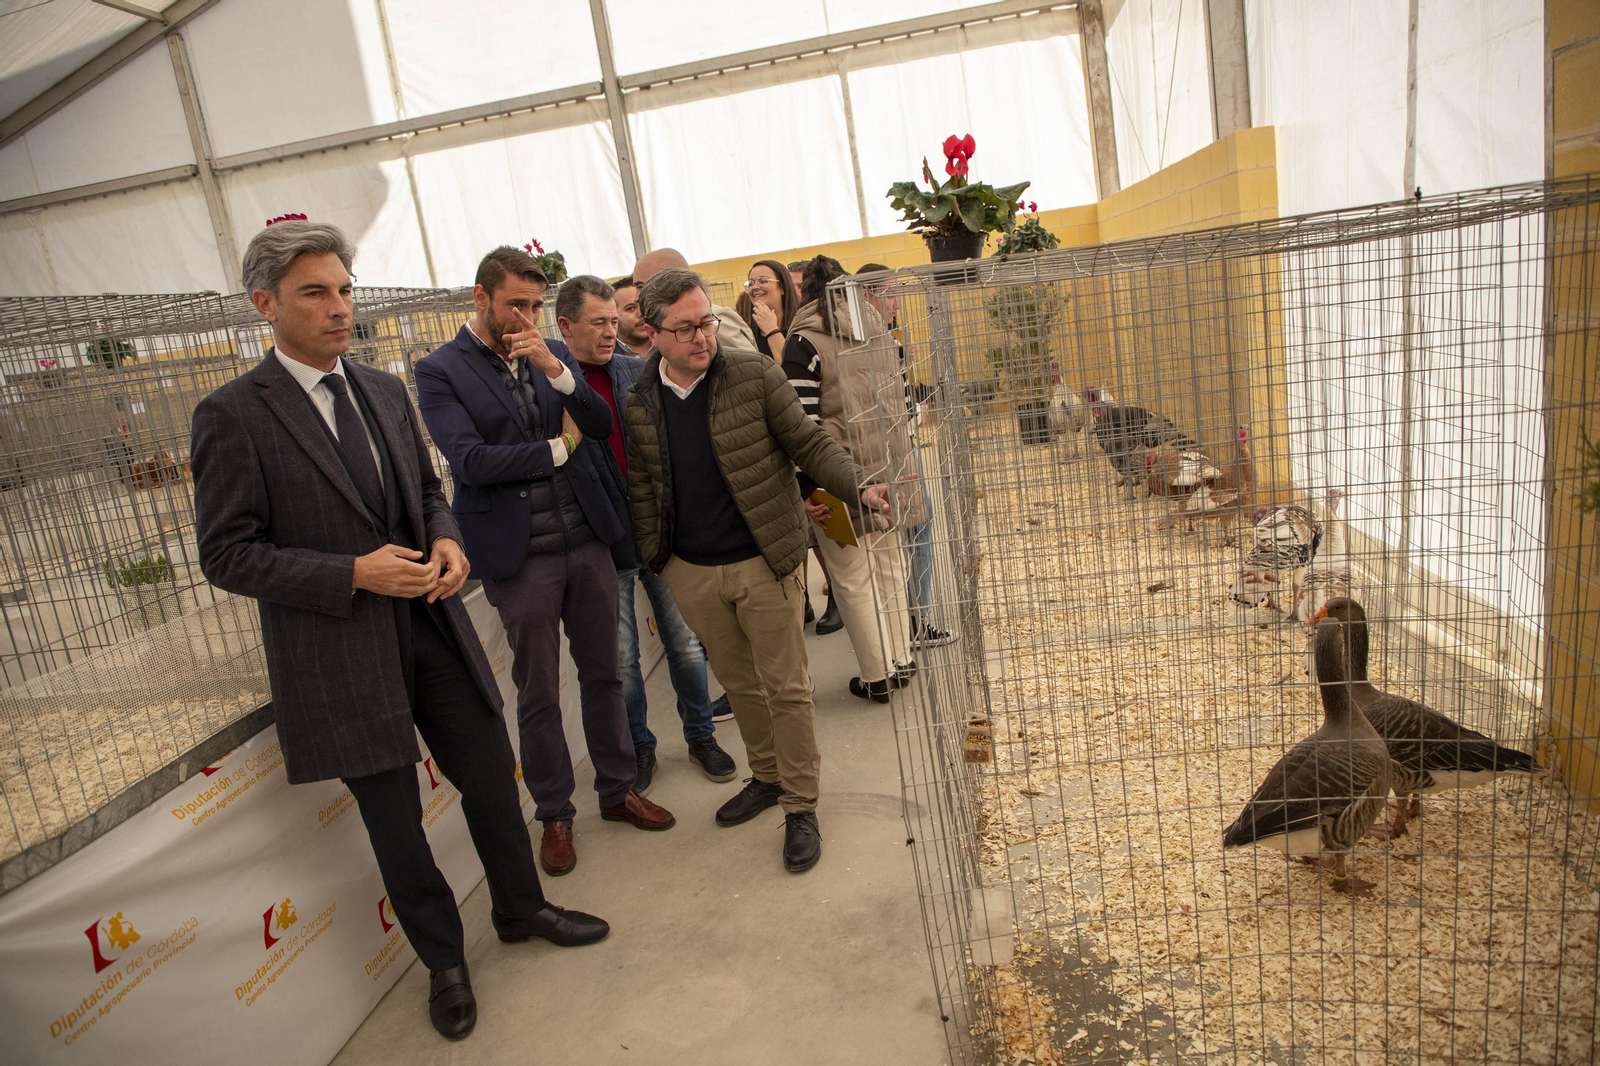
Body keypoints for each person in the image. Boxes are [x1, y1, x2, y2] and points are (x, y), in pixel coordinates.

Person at [191, 221, 608, 1043]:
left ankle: (521, 908)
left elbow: (426, 493)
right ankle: (445, 964)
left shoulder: (383, 389)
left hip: (430, 623)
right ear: (265, 304)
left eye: (345, 290)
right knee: (396, 822)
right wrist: (352, 572)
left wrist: (447, 540)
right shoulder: (233, 414)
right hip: (339, 651)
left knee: (490, 776)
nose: (339, 308)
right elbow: (228, 553)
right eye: (316, 293)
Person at [414, 247, 674, 882]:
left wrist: (557, 371)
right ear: (480, 298)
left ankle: (617, 790)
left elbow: (598, 420)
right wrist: (557, 450)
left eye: (535, 306)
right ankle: (555, 814)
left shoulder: (548, 354)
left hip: (585, 539)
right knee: (537, 692)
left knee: (605, 674)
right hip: (518, 554)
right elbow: (470, 461)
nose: (526, 317)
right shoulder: (439, 370)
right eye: (515, 305)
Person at [622, 267, 891, 874]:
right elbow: (643, 484)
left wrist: (859, 486)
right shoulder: (640, 400)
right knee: (740, 686)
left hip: (763, 560)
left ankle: (801, 806)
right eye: (686, 328)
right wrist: (658, 558)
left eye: (706, 322)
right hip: (693, 570)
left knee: (787, 688)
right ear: (653, 333)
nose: (702, 337)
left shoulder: (753, 375)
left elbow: (809, 443)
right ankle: (766, 777)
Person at [549, 274, 737, 792]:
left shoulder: (637, 370)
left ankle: (701, 736)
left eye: (615, 320)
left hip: (657, 531)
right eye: (598, 322)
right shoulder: (549, 383)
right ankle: (639, 748)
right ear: (565, 325)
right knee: (623, 661)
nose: (612, 331)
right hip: (601, 540)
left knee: (686, 644)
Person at [785, 256, 919, 702]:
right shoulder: (881, 334)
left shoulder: (802, 343)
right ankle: (901, 660)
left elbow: (801, 428)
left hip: (834, 485)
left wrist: (806, 489)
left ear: (806, 295)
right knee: (891, 567)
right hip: (891, 476)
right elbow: (905, 407)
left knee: (850, 577)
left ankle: (877, 677)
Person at [857, 263, 952, 649]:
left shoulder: (881, 337)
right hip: (890, 451)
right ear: (867, 295)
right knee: (916, 525)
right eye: (891, 293)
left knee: (908, 529)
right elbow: (887, 403)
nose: (897, 302)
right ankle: (915, 620)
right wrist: (915, 409)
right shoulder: (872, 341)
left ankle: (907, 621)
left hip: (893, 445)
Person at [633, 247, 757, 353]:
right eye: (684, 329)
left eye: (641, 287)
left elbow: (749, 367)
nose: (636, 297)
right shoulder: (660, 324)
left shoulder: (715, 318)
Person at [733, 259, 800, 362]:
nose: (755, 287)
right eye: (751, 283)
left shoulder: (800, 328)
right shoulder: (745, 333)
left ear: (782, 287)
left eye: (763, 281)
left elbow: (791, 367)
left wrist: (771, 330)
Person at [611, 276, 649, 356]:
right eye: (631, 308)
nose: (641, 313)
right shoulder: (603, 356)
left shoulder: (669, 343)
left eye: (644, 304)